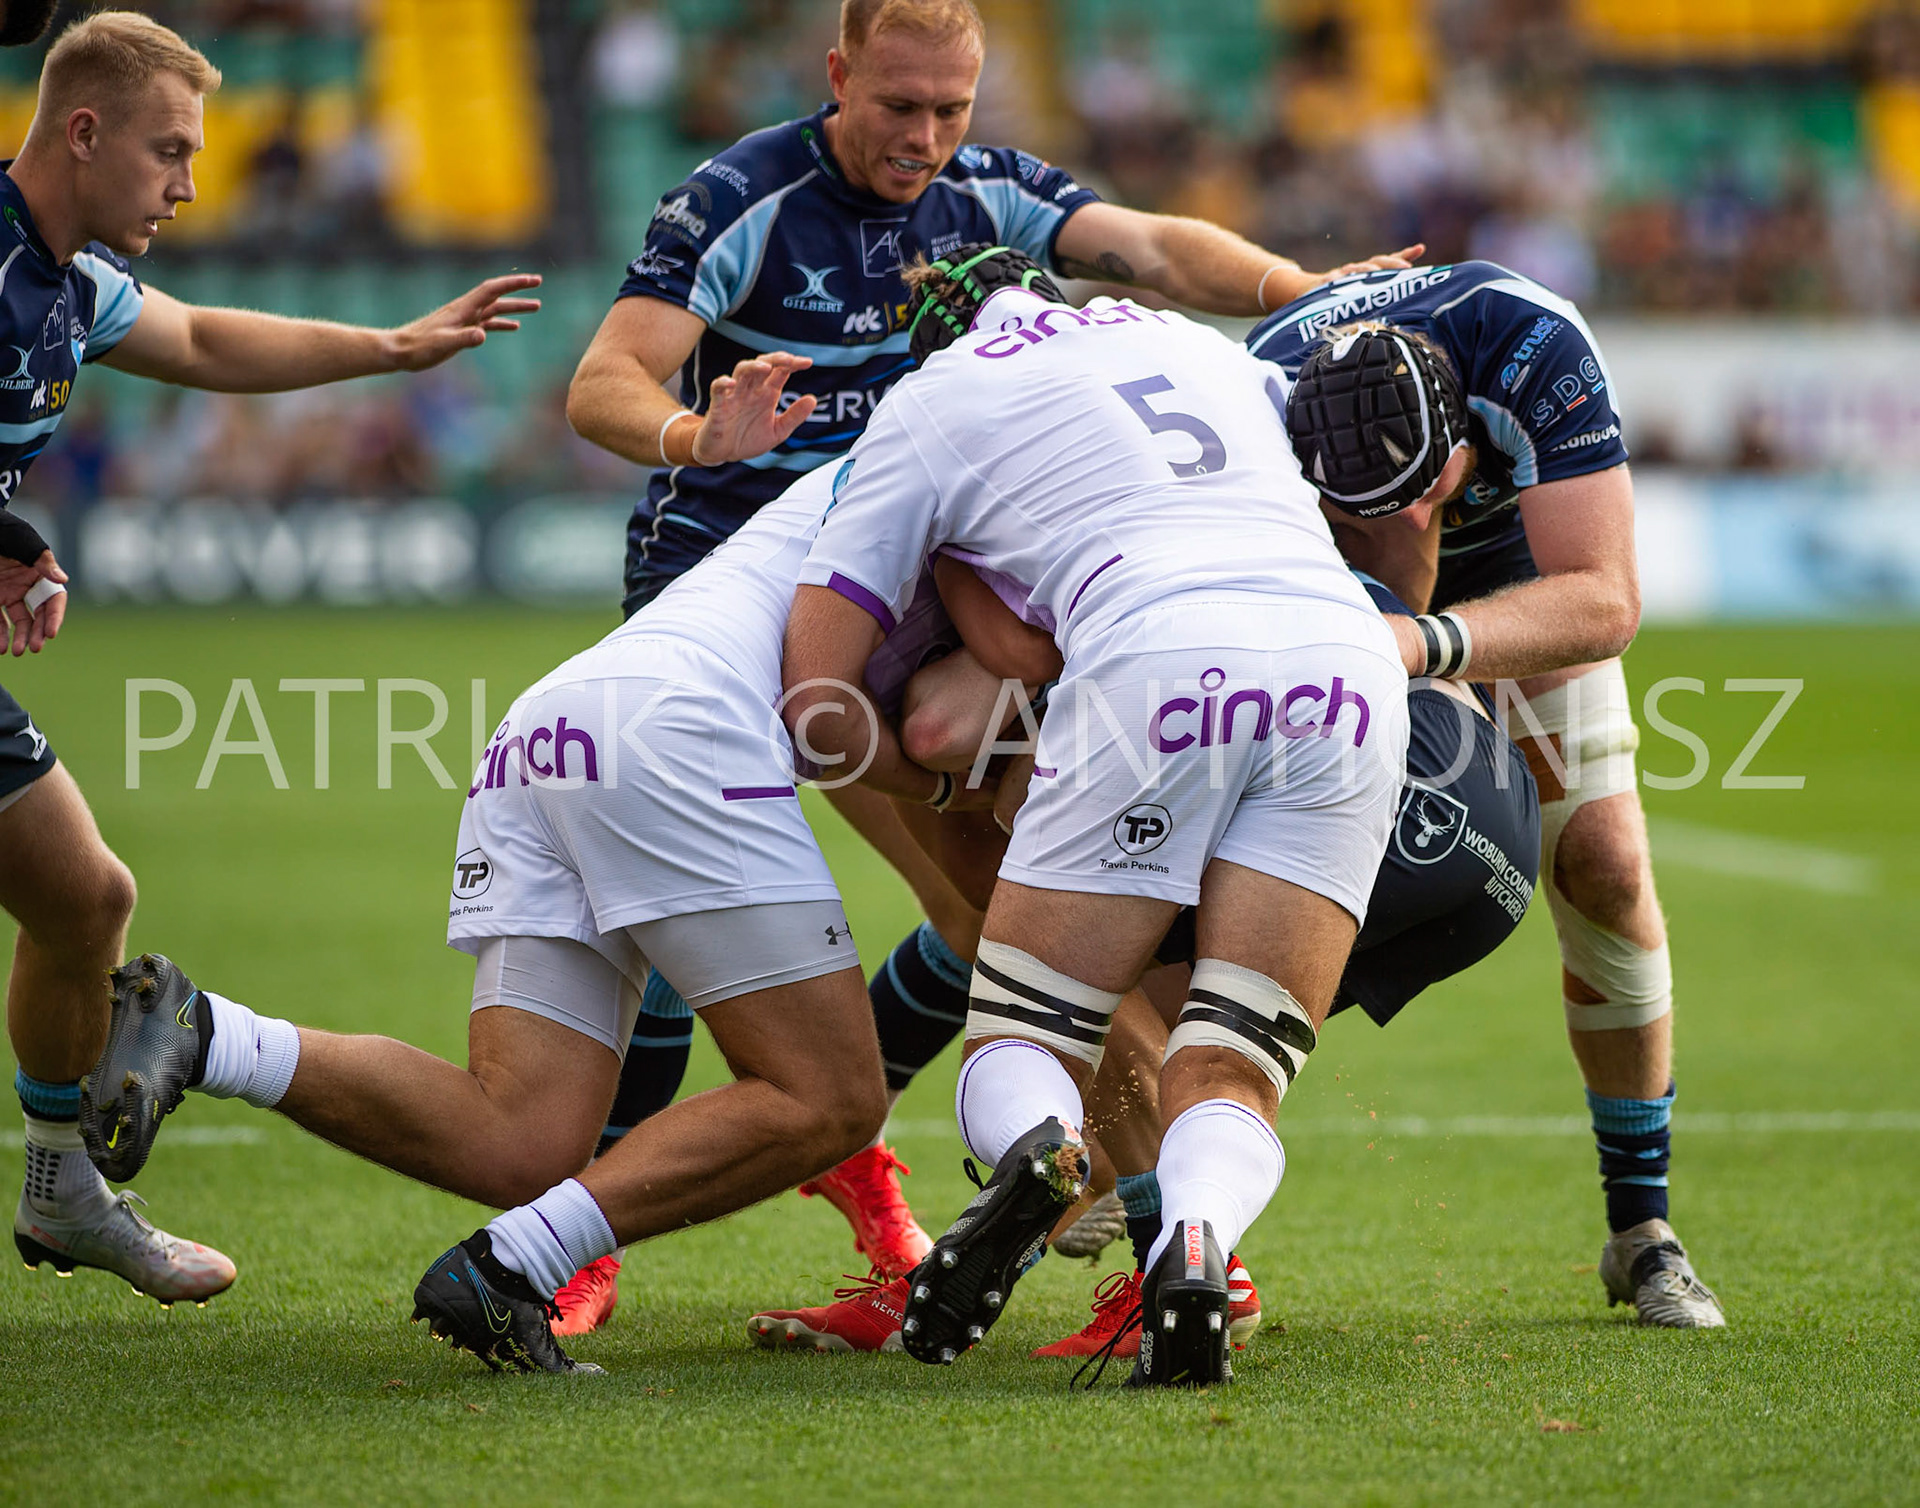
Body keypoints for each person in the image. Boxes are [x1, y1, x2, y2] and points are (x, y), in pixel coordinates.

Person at [559, 0, 1419, 1327]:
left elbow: (1147, 244)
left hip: (923, 608)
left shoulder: (990, 193)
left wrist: (1305, 293)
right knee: (695, 931)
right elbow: (603, 380)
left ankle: (1116, 1227)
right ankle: (1138, 1231)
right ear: (837, 75)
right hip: (764, 597)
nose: (927, 138)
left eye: (952, 110)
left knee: (1014, 908)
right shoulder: (739, 200)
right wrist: (696, 436)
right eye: (899, 107)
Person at [82, 458, 1026, 1373]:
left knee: (518, 1137)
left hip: (551, 723)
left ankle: (207, 1036)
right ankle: (512, 1267)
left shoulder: (925, 462)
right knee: (831, 1095)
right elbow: (953, 759)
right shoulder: (1002, 492)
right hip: (678, 730)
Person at [778, 244, 1409, 1387]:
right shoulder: (1189, 340)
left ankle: (1040, 1151)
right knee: (1239, 1061)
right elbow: (1368, 499)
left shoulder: (931, 399)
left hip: (1153, 659)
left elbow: (817, 700)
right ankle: (1198, 1234)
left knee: (1024, 1030)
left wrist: (933, 785)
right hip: (1349, 663)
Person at [1, 11, 541, 1306]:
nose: (191, 182)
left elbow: (196, 342)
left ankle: (62, 1187)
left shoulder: (66, 286)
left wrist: (393, 348)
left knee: (82, 898)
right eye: (167, 150)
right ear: (83, 133)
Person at [749, 579, 1541, 1362]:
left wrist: (911, 769)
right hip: (1491, 812)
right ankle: (1115, 1226)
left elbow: (937, 729)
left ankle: (1174, 1255)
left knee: (1080, 963)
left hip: (1365, 760)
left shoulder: (968, 569)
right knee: (1176, 1039)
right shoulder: (1172, 500)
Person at [1252, 273, 1726, 1328]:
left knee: (1604, 863)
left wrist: (1429, 644)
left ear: (1461, 451)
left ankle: (1642, 1228)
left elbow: (1605, 597)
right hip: (1343, 606)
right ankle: (1161, 1162)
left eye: (1422, 493)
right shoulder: (1261, 389)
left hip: (1515, 589)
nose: (1410, 518)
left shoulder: (1531, 344)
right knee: (1253, 864)